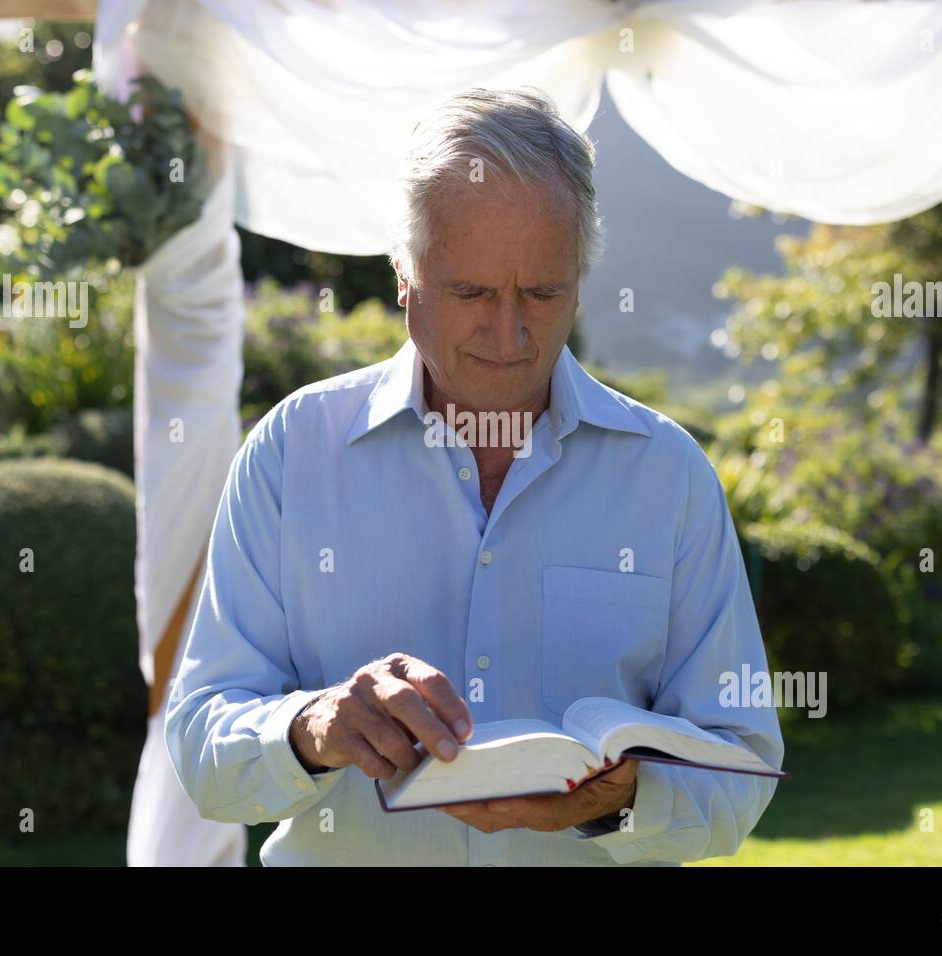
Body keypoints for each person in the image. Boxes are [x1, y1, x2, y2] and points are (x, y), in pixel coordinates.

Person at [165, 87, 784, 865]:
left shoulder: (667, 474)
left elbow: (743, 761)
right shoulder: (292, 452)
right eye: (471, 293)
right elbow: (201, 750)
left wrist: (624, 800)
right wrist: (312, 727)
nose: (510, 332)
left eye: (543, 291)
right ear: (403, 274)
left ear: (581, 279)